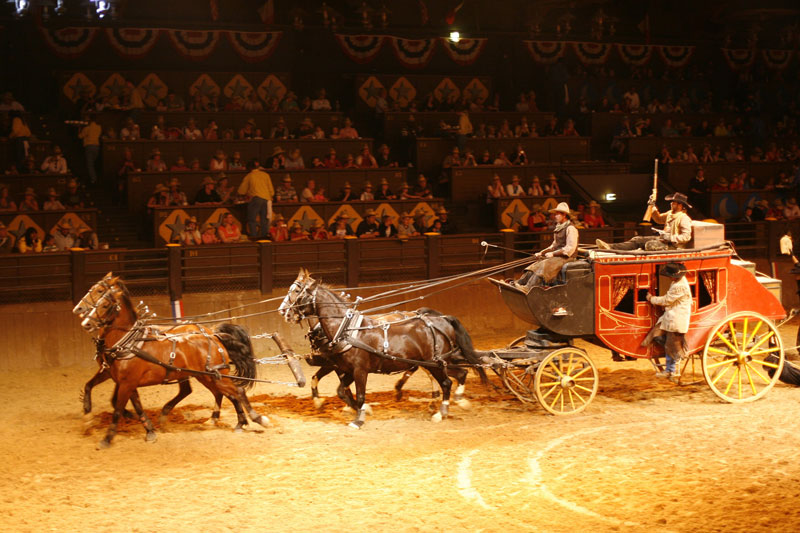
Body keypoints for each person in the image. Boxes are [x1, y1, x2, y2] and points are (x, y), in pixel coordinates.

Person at [644, 262, 691, 380]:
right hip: (670, 317)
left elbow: (666, 300)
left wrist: (651, 299)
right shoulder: (677, 282)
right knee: (656, 334)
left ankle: (671, 369)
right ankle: (674, 355)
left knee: (670, 345)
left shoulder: (679, 286)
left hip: (676, 319)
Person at [597, 193, 693, 251]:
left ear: (680, 205)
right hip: (663, 240)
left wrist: (671, 237)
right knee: (637, 239)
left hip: (673, 246)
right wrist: (652, 206)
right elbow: (658, 219)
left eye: (674, 202)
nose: (671, 203)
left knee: (650, 245)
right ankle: (610, 247)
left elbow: (686, 236)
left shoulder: (684, 218)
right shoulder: (670, 213)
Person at [517, 202, 579, 289]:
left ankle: (528, 287)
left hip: (567, 258)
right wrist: (541, 252)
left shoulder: (571, 228)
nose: (555, 216)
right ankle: (520, 283)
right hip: (559, 256)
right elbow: (554, 245)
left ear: (564, 215)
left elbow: (570, 248)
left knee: (544, 265)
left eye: (557, 214)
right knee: (537, 264)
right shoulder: (559, 227)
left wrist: (553, 254)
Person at [238, 159, 275, 240]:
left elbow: (241, 190)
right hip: (266, 199)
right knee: (264, 220)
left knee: (252, 219)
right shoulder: (265, 175)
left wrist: (247, 193)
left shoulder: (249, 176)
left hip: (256, 198)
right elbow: (271, 191)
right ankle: (264, 237)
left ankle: (254, 236)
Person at [78, 115, 102, 184]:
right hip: (97, 147)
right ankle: (94, 177)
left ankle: (93, 179)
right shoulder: (99, 128)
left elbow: (80, 136)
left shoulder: (87, 128)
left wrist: (79, 129)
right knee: (93, 163)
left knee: (90, 164)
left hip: (89, 147)